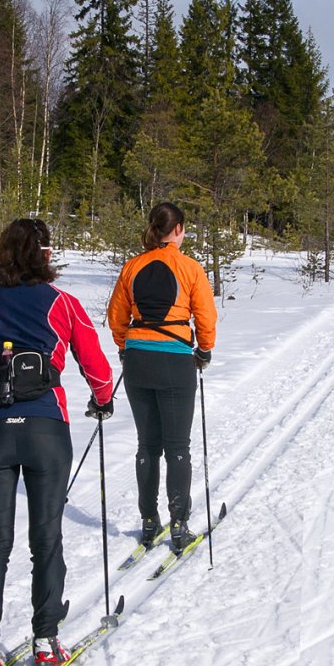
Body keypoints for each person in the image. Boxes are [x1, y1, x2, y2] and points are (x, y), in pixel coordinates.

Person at [0, 218, 114, 666]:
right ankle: (46, 639)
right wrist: (103, 401)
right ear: (45, 254)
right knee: (46, 537)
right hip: (47, 428)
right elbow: (96, 366)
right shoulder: (63, 304)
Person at [106, 202, 217, 554]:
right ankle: (180, 523)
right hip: (174, 360)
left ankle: (150, 521)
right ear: (179, 229)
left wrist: (126, 346)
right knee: (177, 446)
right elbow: (205, 316)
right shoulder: (189, 268)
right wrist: (205, 349)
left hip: (138, 359)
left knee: (147, 445)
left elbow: (116, 316)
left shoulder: (132, 266)